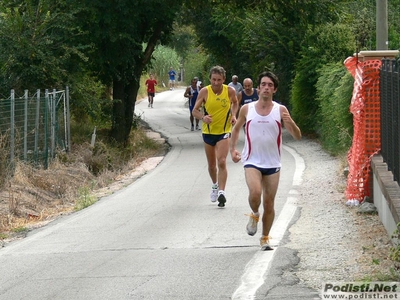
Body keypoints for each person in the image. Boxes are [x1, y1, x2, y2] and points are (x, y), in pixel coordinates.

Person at [230, 71, 301, 251]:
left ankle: (265, 238)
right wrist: (232, 149)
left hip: (272, 163)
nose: (266, 88)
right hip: (252, 160)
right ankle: (254, 214)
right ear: (258, 88)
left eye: (270, 85)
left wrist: (290, 122)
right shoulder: (248, 109)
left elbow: (297, 136)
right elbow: (237, 128)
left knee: (269, 203)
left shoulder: (280, 110)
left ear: (274, 89)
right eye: (263, 84)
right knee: (255, 194)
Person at [192, 65, 239, 208]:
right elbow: (195, 110)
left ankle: (222, 192)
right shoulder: (205, 91)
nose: (216, 83)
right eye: (213, 79)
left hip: (224, 131)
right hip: (208, 132)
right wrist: (202, 117)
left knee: (222, 161)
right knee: (212, 166)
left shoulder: (229, 91)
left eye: (219, 80)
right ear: (210, 79)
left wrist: (233, 115)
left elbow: (235, 103)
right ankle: (214, 185)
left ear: (224, 79)